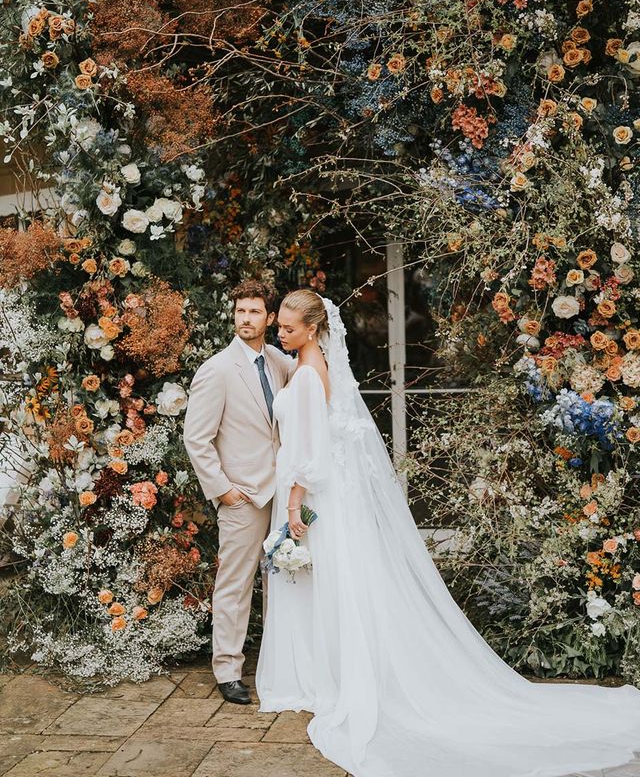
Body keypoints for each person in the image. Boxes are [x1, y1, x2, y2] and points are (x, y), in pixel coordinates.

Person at [256, 288, 640, 777]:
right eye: (281, 326)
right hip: (321, 495)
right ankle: (325, 674)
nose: (281, 332)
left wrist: (293, 504)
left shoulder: (309, 376)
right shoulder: (314, 370)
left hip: (308, 497)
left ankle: (325, 679)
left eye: (288, 327)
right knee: (333, 584)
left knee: (330, 586)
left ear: (312, 329)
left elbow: (309, 449)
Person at [183, 279, 294, 705]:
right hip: (242, 497)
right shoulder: (217, 369)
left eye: (254, 312)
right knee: (235, 584)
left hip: (282, 493)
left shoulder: (280, 363)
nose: (245, 319)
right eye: (240, 311)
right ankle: (228, 670)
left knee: (284, 581)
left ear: (269, 318)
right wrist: (223, 490)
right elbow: (197, 439)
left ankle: (278, 664)